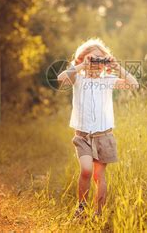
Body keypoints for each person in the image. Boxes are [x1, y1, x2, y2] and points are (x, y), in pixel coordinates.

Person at [57, 37, 139, 220]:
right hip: (83, 136)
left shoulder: (108, 79)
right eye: (91, 59)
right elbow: (60, 78)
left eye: (99, 60)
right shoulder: (77, 78)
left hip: (104, 136)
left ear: (104, 63)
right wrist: (81, 66)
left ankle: (98, 213)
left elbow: (134, 84)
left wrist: (117, 67)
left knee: (98, 176)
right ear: (83, 59)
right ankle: (81, 208)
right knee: (86, 170)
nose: (95, 63)